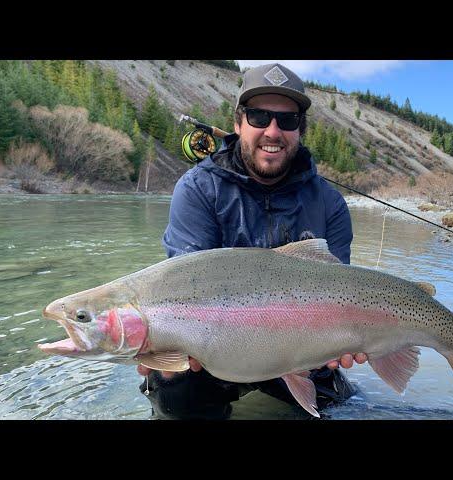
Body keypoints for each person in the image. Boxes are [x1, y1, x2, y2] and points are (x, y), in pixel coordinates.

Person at [137, 63, 367, 419]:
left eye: (287, 121)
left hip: (302, 348)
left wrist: (350, 339)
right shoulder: (198, 190)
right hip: (214, 354)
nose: (273, 131)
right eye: (259, 117)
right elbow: (182, 289)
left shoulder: (330, 204)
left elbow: (342, 292)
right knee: (173, 390)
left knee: (346, 409)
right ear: (238, 123)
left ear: (300, 130)